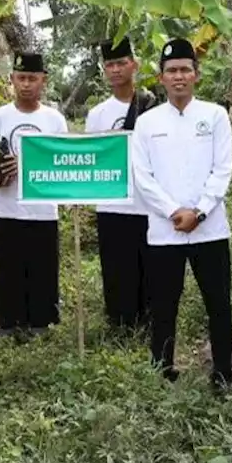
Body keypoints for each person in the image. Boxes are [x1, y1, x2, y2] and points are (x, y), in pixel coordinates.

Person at [132, 38, 232, 392]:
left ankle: (223, 373)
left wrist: (201, 212)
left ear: (197, 75)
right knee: (163, 305)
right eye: (172, 71)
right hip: (164, 231)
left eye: (185, 70)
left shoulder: (215, 115)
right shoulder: (146, 123)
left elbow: (223, 169)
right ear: (160, 78)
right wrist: (174, 211)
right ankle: (163, 371)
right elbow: (142, 177)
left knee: (218, 304)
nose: (179, 77)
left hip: (210, 230)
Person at [0, 52, 69, 336]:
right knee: (9, 268)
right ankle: (10, 324)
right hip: (6, 207)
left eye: (32, 78)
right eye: (21, 78)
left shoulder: (54, 120)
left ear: (43, 81)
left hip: (43, 208)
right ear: (11, 79)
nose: (26, 84)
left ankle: (41, 322)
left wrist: (27, 165)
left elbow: (61, 161)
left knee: (43, 267)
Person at [85, 37, 151, 331]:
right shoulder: (98, 113)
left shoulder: (152, 105)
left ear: (134, 65)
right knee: (115, 267)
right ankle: (120, 323)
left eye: (121, 63)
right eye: (110, 64)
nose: (115, 70)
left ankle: (149, 320)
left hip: (149, 202)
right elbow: (93, 158)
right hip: (112, 202)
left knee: (150, 266)